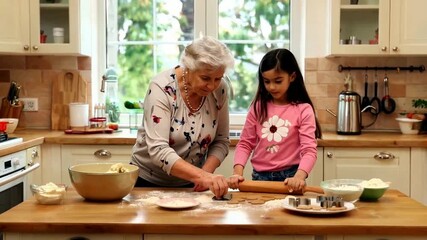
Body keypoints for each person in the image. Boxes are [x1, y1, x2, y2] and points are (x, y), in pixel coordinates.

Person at [131, 36, 235, 199]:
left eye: (218, 78)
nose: (212, 85)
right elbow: (158, 149)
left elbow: (221, 140)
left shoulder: (219, 90)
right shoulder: (162, 88)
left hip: (192, 184)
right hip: (146, 182)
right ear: (188, 68)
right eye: (205, 78)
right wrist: (203, 177)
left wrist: (204, 175)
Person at [228, 48, 322, 192]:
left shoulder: (303, 109)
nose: (271, 87)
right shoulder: (258, 107)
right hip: (259, 178)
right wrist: (237, 173)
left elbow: (309, 150)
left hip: (290, 178)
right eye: (267, 81)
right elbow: (245, 144)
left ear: (292, 76)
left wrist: (299, 177)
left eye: (278, 81)